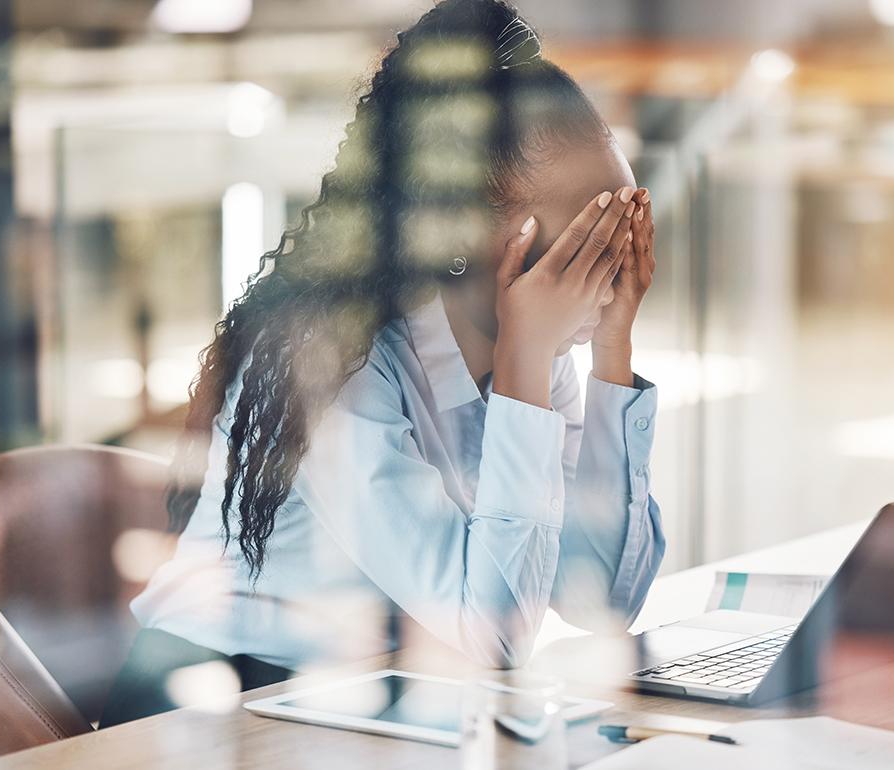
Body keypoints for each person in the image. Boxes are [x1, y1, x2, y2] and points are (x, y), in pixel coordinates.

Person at [100, 0, 664, 727]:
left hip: (354, 691)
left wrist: (612, 353)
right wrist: (530, 353)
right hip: (209, 698)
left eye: (623, 226)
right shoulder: (337, 367)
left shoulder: (529, 345)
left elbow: (603, 601)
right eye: (588, 243)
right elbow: (494, 635)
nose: (616, 269)